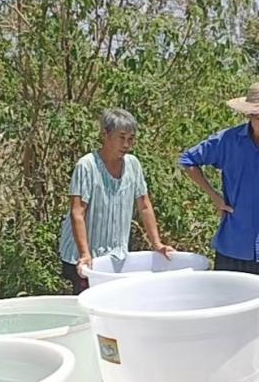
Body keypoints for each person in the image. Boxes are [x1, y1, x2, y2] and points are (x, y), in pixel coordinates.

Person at [179, 81, 259, 333]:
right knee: (228, 320)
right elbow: (188, 160)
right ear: (249, 115)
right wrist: (215, 197)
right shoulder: (228, 141)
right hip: (233, 246)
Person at [59, 108, 174, 294]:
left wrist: (157, 244)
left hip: (116, 254)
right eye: (121, 138)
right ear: (105, 134)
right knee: (89, 302)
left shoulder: (133, 165)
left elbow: (144, 205)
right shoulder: (87, 166)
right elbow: (77, 212)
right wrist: (85, 254)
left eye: (131, 139)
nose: (126, 144)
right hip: (85, 256)